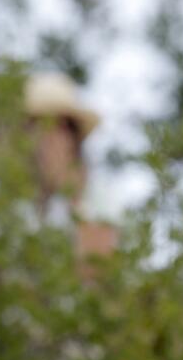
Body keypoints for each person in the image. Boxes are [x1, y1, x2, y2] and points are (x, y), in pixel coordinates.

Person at [23, 72, 117, 272]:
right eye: (42, 123)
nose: (55, 135)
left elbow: (97, 275)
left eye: (66, 125)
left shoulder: (99, 197)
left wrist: (74, 200)